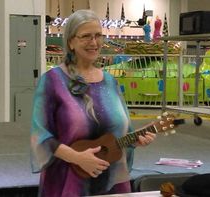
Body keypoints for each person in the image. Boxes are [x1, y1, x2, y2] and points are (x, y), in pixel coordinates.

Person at [31, 9, 156, 196]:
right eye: (86, 36)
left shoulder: (110, 81)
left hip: (112, 181)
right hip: (68, 181)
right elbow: (40, 136)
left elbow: (121, 133)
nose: (94, 42)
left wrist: (135, 140)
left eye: (98, 35)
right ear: (71, 42)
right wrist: (78, 158)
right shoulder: (52, 81)